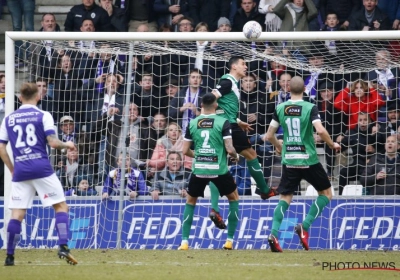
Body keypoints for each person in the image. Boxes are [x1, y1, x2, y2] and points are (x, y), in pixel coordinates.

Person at [0, 83, 78, 266]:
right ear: (38, 97)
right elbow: (52, 143)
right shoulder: (43, 115)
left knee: (17, 213)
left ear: (19, 98)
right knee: (60, 206)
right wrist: (68, 145)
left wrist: (12, 169)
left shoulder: (8, 119)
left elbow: (1, 148)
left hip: (20, 169)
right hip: (42, 168)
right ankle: (63, 246)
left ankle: (9, 256)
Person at [264, 76, 340, 252]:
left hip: (289, 159)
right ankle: (304, 226)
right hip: (308, 159)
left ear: (288, 89)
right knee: (326, 194)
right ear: (305, 89)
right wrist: (332, 144)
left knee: (285, 198)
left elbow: (269, 135)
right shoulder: (310, 107)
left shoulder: (280, 107)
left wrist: (278, 146)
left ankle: (274, 234)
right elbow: (320, 130)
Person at [209, 56, 277, 230]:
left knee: (219, 165)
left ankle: (215, 209)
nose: (245, 67)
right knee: (251, 155)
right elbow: (212, 98)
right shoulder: (228, 81)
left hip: (221, 125)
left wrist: (238, 120)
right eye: (243, 64)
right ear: (234, 66)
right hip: (227, 127)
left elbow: (222, 105)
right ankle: (263, 189)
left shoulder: (231, 83)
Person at [178, 93, 240, 250]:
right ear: (216, 105)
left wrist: (197, 155)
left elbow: (185, 150)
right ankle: (229, 241)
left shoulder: (192, 123)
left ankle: (184, 242)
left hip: (199, 169)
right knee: (233, 198)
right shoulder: (223, 122)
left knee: (191, 201)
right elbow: (229, 148)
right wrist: (235, 155)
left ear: (201, 105)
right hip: (218, 169)